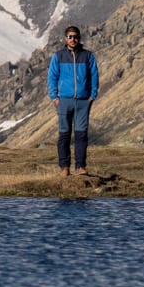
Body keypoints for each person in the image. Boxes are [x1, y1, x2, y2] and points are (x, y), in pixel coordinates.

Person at [46, 25, 99, 176]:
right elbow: (52, 77)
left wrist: (92, 96)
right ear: (65, 39)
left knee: (81, 135)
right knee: (64, 135)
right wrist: (55, 98)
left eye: (75, 37)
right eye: (70, 37)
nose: (73, 39)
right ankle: (64, 168)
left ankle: (80, 167)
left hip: (83, 101)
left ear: (79, 38)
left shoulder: (87, 56)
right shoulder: (58, 56)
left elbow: (94, 76)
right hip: (64, 101)